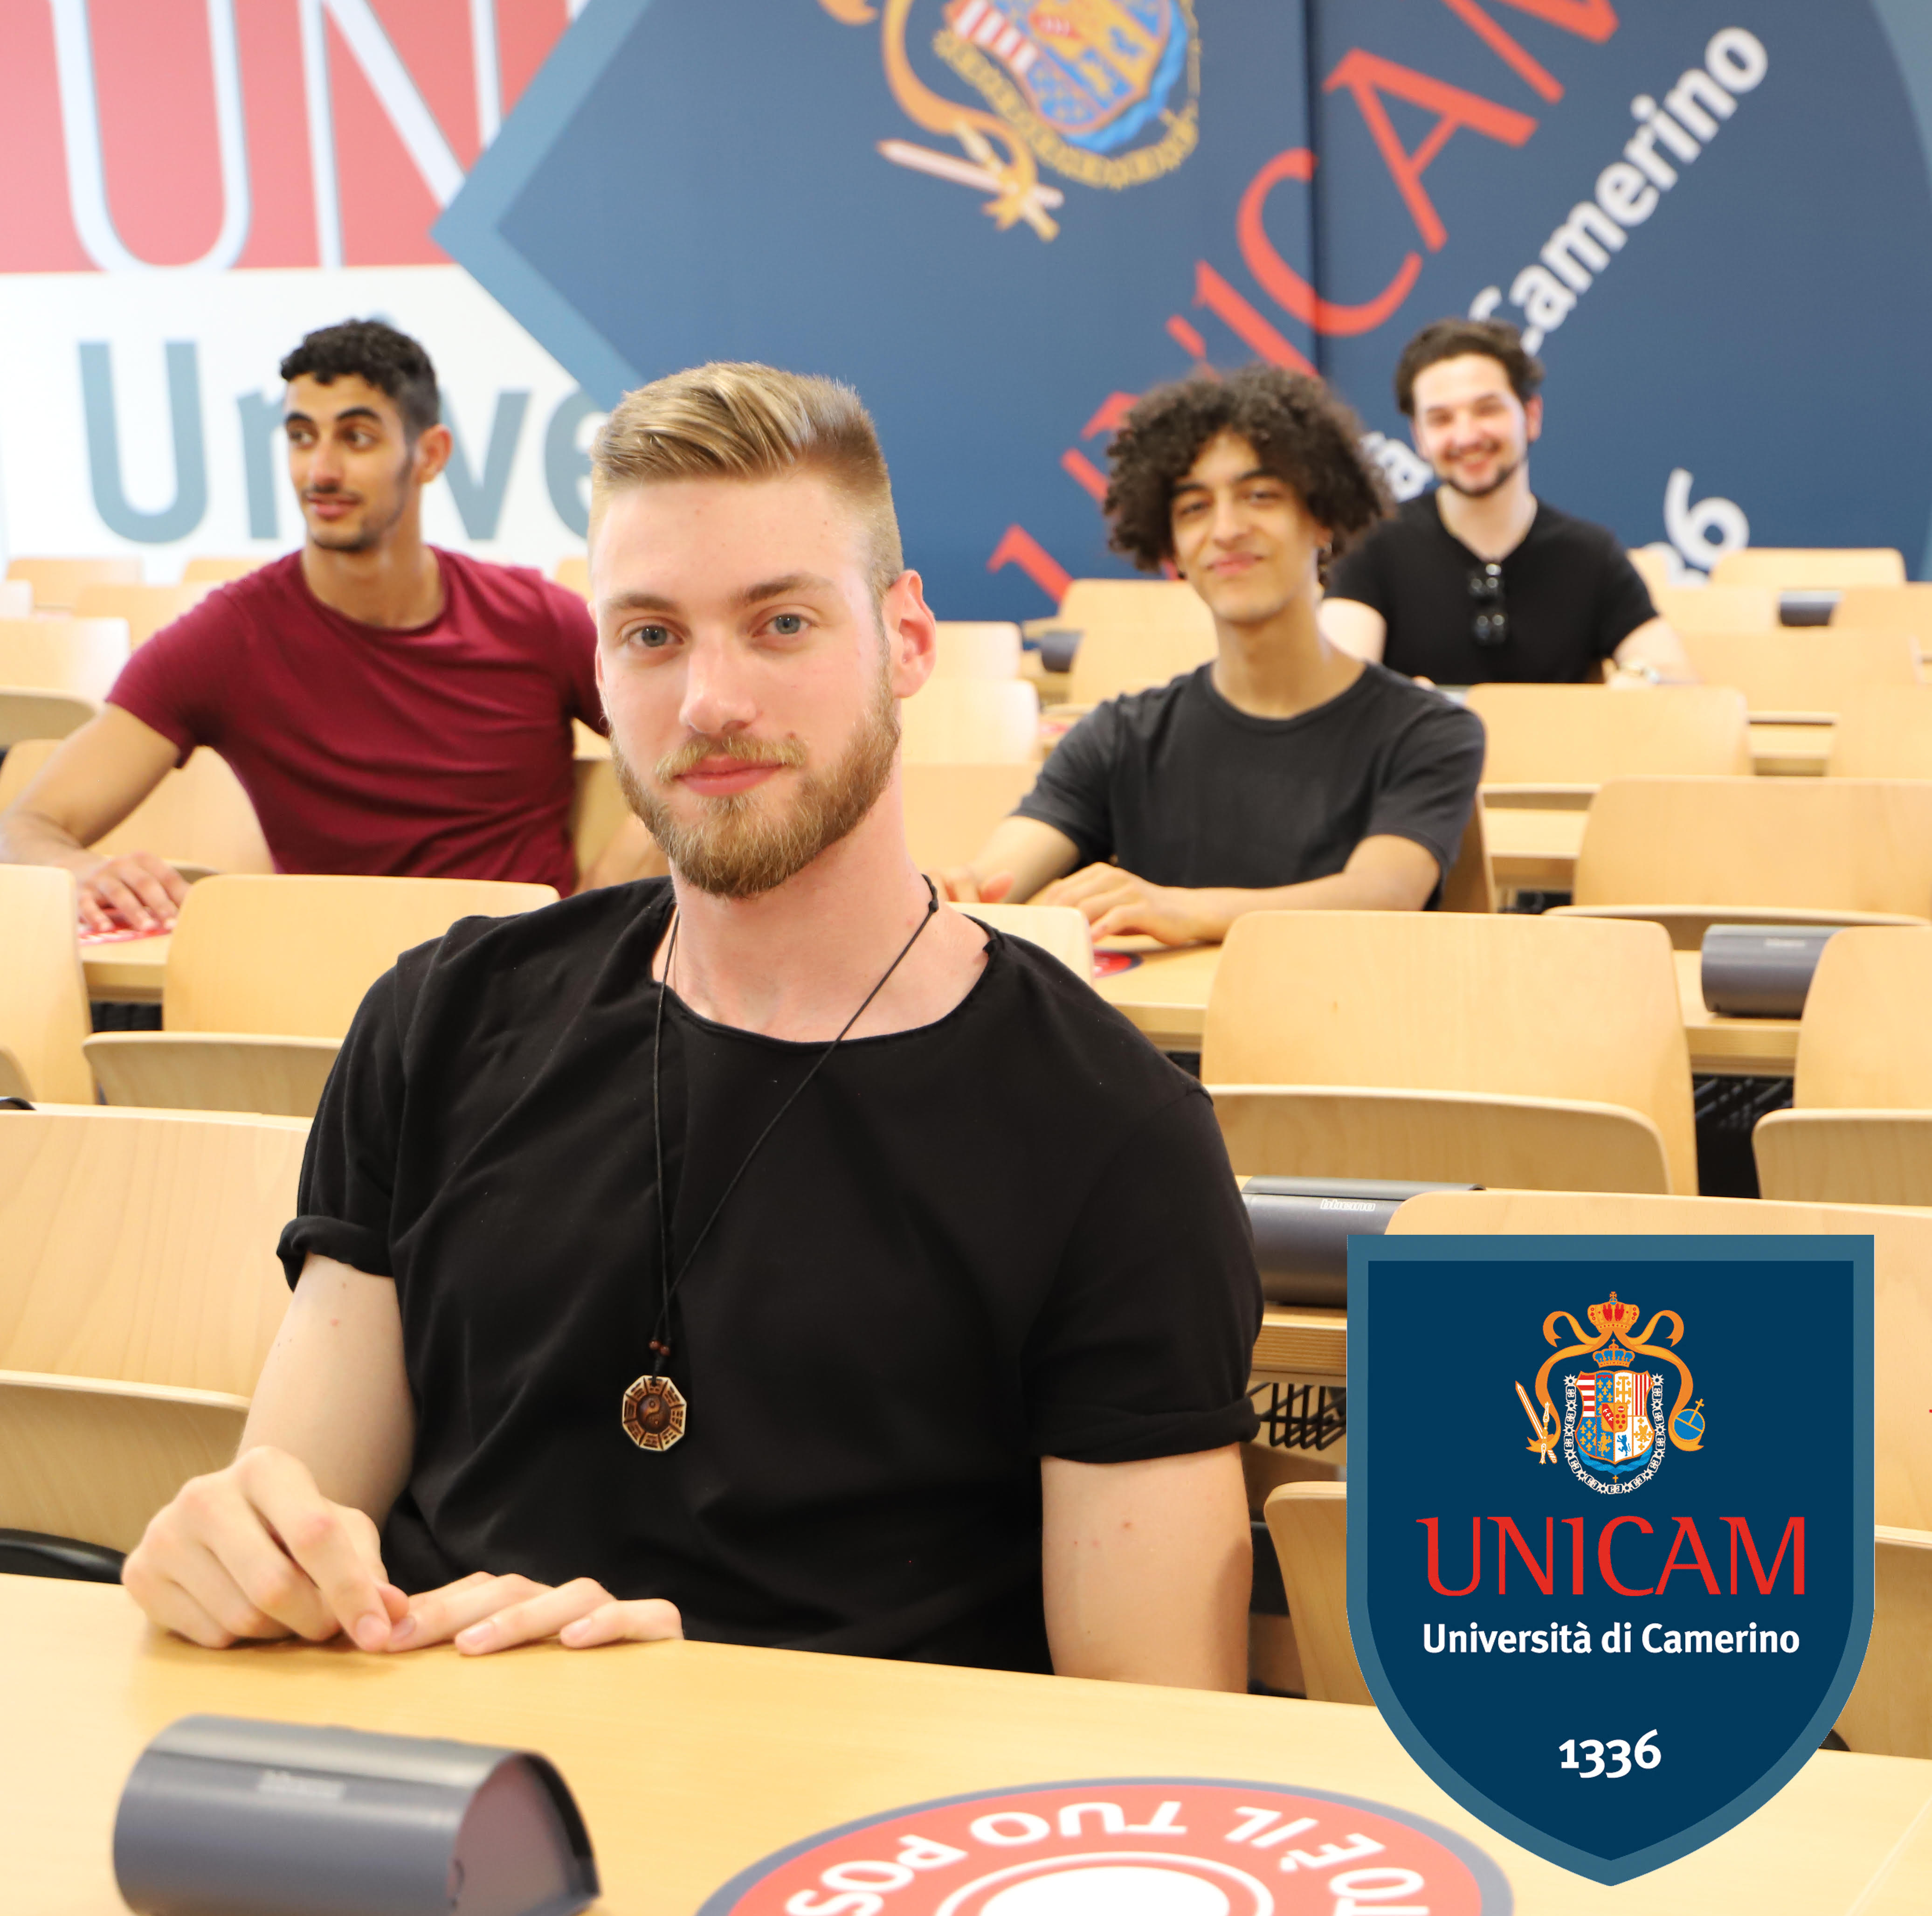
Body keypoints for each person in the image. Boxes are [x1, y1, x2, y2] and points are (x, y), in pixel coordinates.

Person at [121, 362, 1262, 1688]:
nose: (712, 700)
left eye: (781, 624)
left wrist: (701, 1702)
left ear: (906, 640)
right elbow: (302, 1536)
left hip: (858, 1811)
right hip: (440, 1772)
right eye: (652, 635)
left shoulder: (1113, 1137)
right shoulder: (438, 1021)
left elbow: (1149, 1737)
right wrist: (236, 1559)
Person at [0, 320, 647, 929]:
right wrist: (75, 868)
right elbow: (24, 828)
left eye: (356, 438)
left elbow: (686, 745)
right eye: (302, 436)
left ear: (430, 454)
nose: (321, 471)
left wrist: (597, 901)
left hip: (522, 975)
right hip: (333, 979)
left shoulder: (536, 619)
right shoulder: (228, 639)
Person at [944, 365, 1486, 944]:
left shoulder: (1429, 732)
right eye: (1194, 508)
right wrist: (962, 894)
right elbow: (996, 882)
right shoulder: (1118, 737)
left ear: (1322, 518)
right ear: (1173, 547)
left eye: (1259, 496)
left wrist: (1180, 910)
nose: (1226, 529)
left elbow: (1384, 894)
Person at [1321, 317, 1694, 687]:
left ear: (1531, 416)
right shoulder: (1374, 545)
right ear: (1419, 438)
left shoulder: (1590, 555)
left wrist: (1643, 678)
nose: (1466, 437)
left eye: (1487, 410)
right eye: (1441, 419)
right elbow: (1335, 686)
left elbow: (1680, 683)